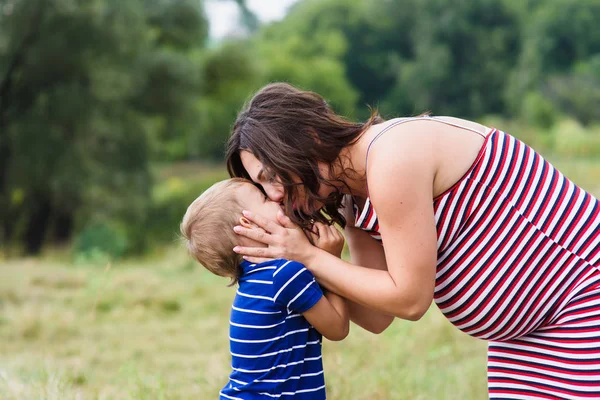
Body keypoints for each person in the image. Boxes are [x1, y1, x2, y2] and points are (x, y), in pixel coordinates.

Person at [226, 82, 600, 399]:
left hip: (583, 298)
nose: (274, 194)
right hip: (524, 337)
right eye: (262, 185)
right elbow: (376, 317)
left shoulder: (391, 157)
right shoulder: (355, 195)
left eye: (272, 174)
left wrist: (310, 258)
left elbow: (409, 299)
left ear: (307, 138)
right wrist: (326, 258)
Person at [180, 177, 349, 400]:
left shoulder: (260, 280)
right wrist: (331, 258)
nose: (276, 198)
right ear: (248, 225)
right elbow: (338, 328)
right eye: (264, 198)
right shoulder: (285, 274)